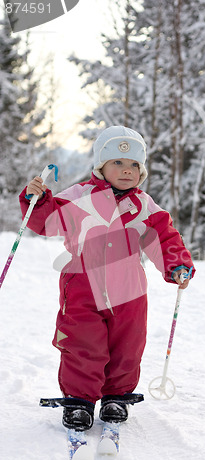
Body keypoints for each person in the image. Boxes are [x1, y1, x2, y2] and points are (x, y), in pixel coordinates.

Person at [19, 125, 195, 431]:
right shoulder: (79, 196)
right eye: (118, 163)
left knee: (127, 346)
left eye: (134, 165)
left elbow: (164, 239)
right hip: (82, 287)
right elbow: (48, 222)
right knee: (82, 344)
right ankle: (79, 400)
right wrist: (37, 199)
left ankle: (117, 396)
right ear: (101, 166)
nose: (127, 171)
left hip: (129, 292)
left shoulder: (144, 206)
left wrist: (177, 265)